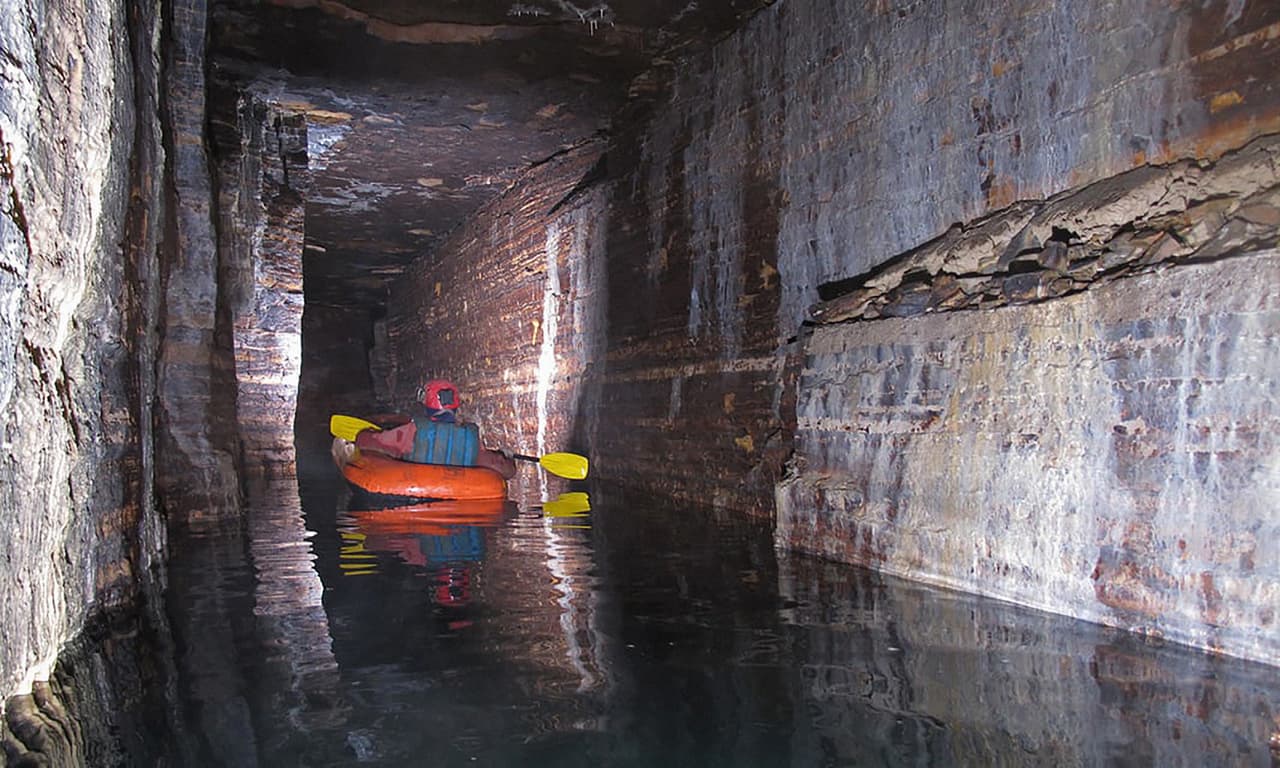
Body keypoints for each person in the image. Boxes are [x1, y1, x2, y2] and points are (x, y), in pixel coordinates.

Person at [353, 379, 516, 479]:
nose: (499, 458)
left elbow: (363, 440)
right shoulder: (471, 436)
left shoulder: (414, 431)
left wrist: (370, 432)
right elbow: (508, 471)